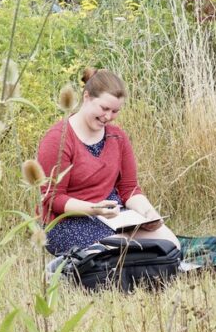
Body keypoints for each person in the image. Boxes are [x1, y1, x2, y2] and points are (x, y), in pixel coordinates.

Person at [38, 68, 178, 256]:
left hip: (115, 216)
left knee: (171, 246)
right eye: (104, 109)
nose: (108, 116)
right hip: (67, 222)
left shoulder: (118, 137)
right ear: (86, 97)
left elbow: (129, 189)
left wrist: (149, 214)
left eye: (115, 111)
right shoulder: (58, 139)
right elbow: (52, 198)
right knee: (118, 253)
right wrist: (94, 209)